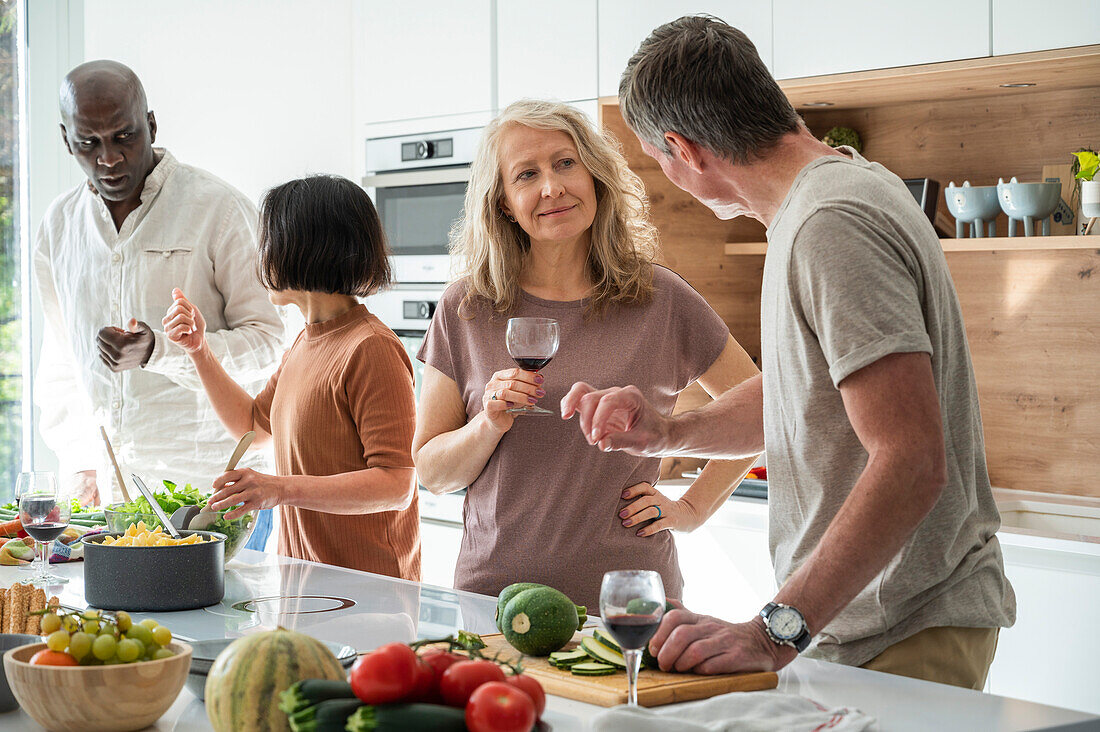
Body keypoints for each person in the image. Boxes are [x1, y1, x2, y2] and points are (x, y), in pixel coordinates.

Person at [562, 16, 1015, 689]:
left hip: (902, 627)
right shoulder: (832, 197)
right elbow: (804, 392)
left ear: (683, 151)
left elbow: (913, 460)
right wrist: (671, 429)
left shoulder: (830, 224)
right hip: (866, 626)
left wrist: (773, 632)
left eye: (654, 158)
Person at [412, 99, 760, 609]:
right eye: (526, 174)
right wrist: (487, 424)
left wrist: (690, 508)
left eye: (565, 163)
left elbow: (765, 410)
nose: (551, 186)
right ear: (505, 202)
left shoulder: (660, 297)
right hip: (495, 602)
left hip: (631, 606)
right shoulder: (467, 306)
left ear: (594, 176)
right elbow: (432, 473)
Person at [34, 60, 285, 537]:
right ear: (67, 141)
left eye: (124, 136)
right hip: (112, 501)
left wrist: (159, 350)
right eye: (89, 143)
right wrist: (80, 460)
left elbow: (272, 345)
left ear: (150, 124)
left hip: (221, 494)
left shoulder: (220, 210)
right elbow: (62, 362)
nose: (109, 158)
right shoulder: (57, 226)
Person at [163, 174, 420, 579]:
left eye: (267, 243)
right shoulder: (304, 343)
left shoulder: (371, 348)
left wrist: (278, 488)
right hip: (307, 585)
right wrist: (200, 350)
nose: (260, 257)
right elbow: (252, 426)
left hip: (369, 593)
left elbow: (396, 485)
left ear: (305, 248)